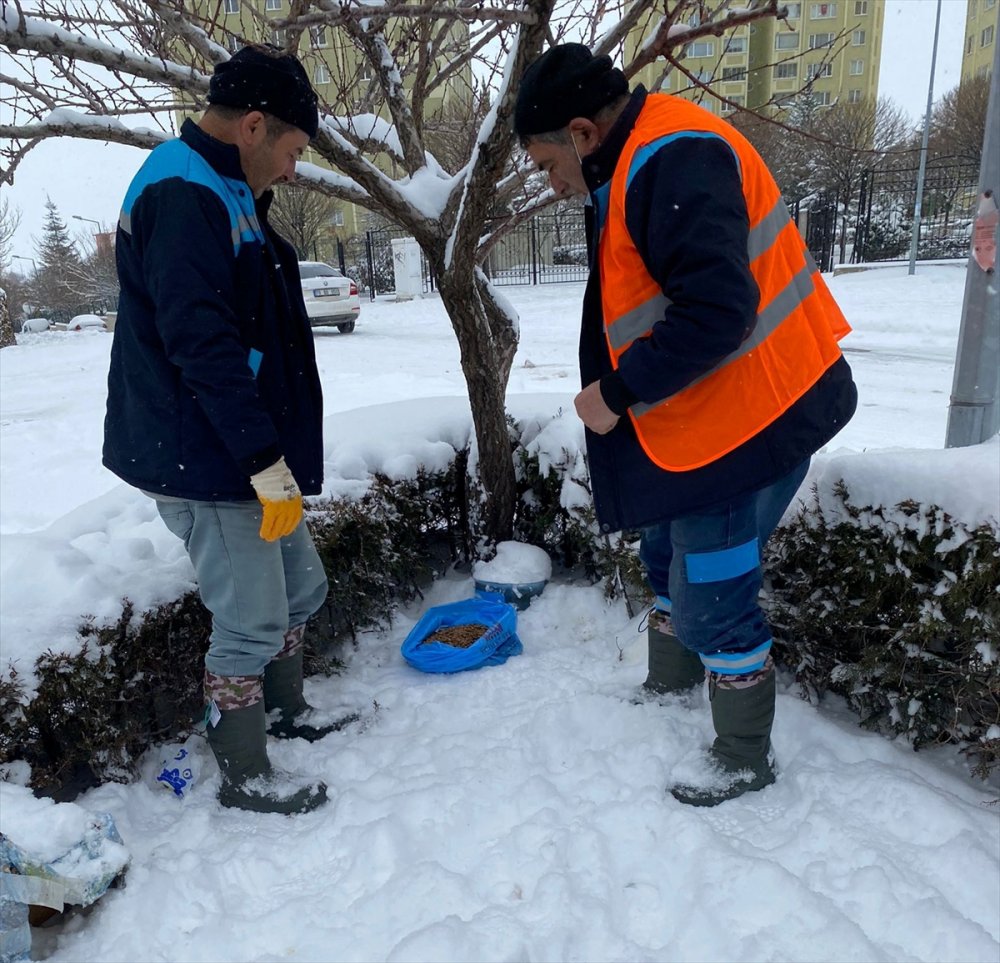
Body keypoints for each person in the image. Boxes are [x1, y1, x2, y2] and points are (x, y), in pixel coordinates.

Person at [514, 44, 858, 807]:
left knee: (713, 596)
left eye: (544, 164)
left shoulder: (672, 157)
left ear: (580, 132)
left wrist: (618, 391)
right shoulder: (637, 154)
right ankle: (669, 686)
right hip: (711, 414)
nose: (549, 182)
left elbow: (718, 311)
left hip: (754, 420)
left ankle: (742, 754)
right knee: (665, 547)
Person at [104, 45, 340, 814]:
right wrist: (263, 459)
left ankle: (283, 710)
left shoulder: (226, 184)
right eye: (294, 151)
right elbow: (200, 343)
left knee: (302, 585)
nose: (296, 169)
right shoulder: (182, 189)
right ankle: (244, 772)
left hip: (237, 449)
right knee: (250, 617)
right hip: (203, 455)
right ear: (253, 124)